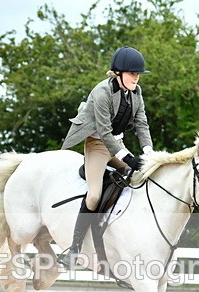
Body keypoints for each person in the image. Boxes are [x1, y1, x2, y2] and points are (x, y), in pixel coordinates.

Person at [59, 46, 154, 268]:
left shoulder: (136, 93)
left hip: (117, 143)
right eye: (133, 73)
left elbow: (142, 123)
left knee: (141, 178)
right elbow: (103, 132)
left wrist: (149, 153)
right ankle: (74, 248)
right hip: (97, 144)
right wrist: (128, 158)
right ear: (118, 73)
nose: (136, 77)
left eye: (138, 74)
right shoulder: (102, 92)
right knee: (93, 197)